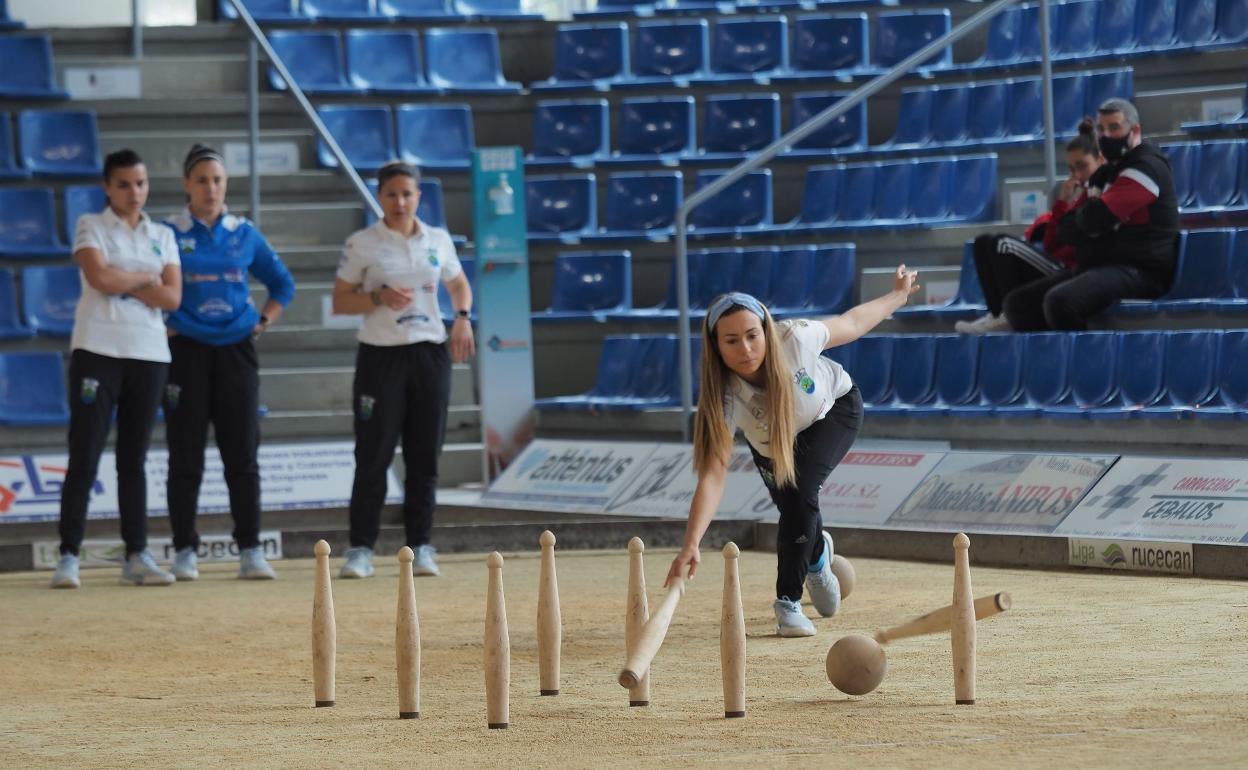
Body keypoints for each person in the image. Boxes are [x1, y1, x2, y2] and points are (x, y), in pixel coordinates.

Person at [665, 266, 920, 636]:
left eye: (753, 336)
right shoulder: (722, 397)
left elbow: (852, 322)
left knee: (801, 495)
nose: (746, 349)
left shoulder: (796, 338)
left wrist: (897, 295)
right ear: (716, 346)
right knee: (797, 509)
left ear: (766, 331)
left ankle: (788, 603)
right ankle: (817, 557)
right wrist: (691, 544)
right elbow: (713, 475)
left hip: (833, 411)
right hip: (771, 446)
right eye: (732, 341)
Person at [331, 162, 475, 580]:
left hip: (429, 354)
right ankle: (360, 548)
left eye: (406, 194)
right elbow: (341, 301)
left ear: (418, 197)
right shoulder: (363, 243)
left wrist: (462, 316)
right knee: (373, 454)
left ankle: (421, 546)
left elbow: (459, 283)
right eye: (391, 194)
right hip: (381, 356)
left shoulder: (438, 239)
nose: (399, 202)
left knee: (424, 456)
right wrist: (376, 297)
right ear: (380, 197)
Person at [162, 144, 296, 582]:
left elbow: (283, 284)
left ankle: (251, 550)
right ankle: (184, 550)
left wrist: (261, 322)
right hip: (185, 353)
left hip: (238, 352)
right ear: (187, 184)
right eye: (201, 179)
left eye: (218, 180)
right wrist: (162, 321)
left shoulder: (245, 233)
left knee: (242, 456)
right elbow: (146, 284)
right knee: (185, 458)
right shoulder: (166, 233)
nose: (211, 188)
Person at [51, 149, 182, 589]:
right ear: (108, 187)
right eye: (124, 184)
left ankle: (136, 554)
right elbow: (99, 279)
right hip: (97, 349)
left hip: (148, 354)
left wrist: (128, 279)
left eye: (141, 184)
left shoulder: (162, 234)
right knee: (84, 454)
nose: (134, 193)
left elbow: (173, 299)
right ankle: (68, 554)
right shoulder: (90, 225)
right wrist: (146, 280)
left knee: (134, 459)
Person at [1001, 98, 1179, 331]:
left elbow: (1095, 219)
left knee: (1061, 302)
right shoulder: (1104, 174)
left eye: (1114, 128)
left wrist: (1089, 224)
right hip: (1102, 266)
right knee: (1017, 305)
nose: (1105, 136)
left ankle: (1083, 363)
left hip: (1142, 270)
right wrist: (1088, 224)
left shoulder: (1146, 167)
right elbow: (1067, 229)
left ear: (1134, 131)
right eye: (1101, 129)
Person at [955, 119, 1104, 334]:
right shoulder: (1075, 198)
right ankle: (995, 314)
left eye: (1082, 166)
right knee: (982, 242)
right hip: (1058, 263)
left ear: (1099, 160)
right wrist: (1062, 203)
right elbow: (1051, 244)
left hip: (1071, 271)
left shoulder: (1101, 194)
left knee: (1004, 245)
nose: (1077, 175)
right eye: (1072, 169)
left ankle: (1007, 318)